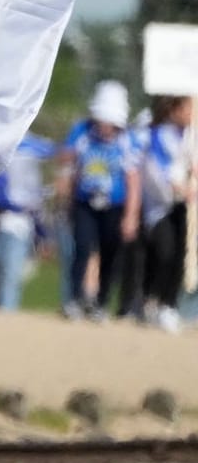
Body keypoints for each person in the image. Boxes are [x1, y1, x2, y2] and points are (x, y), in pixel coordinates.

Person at [57, 80, 143, 322]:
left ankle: (101, 302)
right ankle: (74, 298)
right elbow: (66, 162)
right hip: (85, 203)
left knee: (110, 254)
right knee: (82, 248)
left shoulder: (127, 140)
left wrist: (131, 216)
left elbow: (133, 181)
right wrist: (65, 190)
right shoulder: (82, 132)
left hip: (115, 206)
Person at [138, 96, 191, 332]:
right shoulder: (160, 135)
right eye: (188, 108)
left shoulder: (191, 136)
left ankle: (168, 305)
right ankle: (151, 300)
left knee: (180, 255)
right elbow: (157, 170)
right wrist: (177, 188)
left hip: (184, 204)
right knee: (164, 253)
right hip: (160, 205)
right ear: (175, 110)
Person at [0, 133, 55, 313]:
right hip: (1, 218)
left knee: (11, 269)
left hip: (21, 223)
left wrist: (43, 237)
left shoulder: (31, 182)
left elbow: (37, 209)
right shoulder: (0, 173)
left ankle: (7, 307)